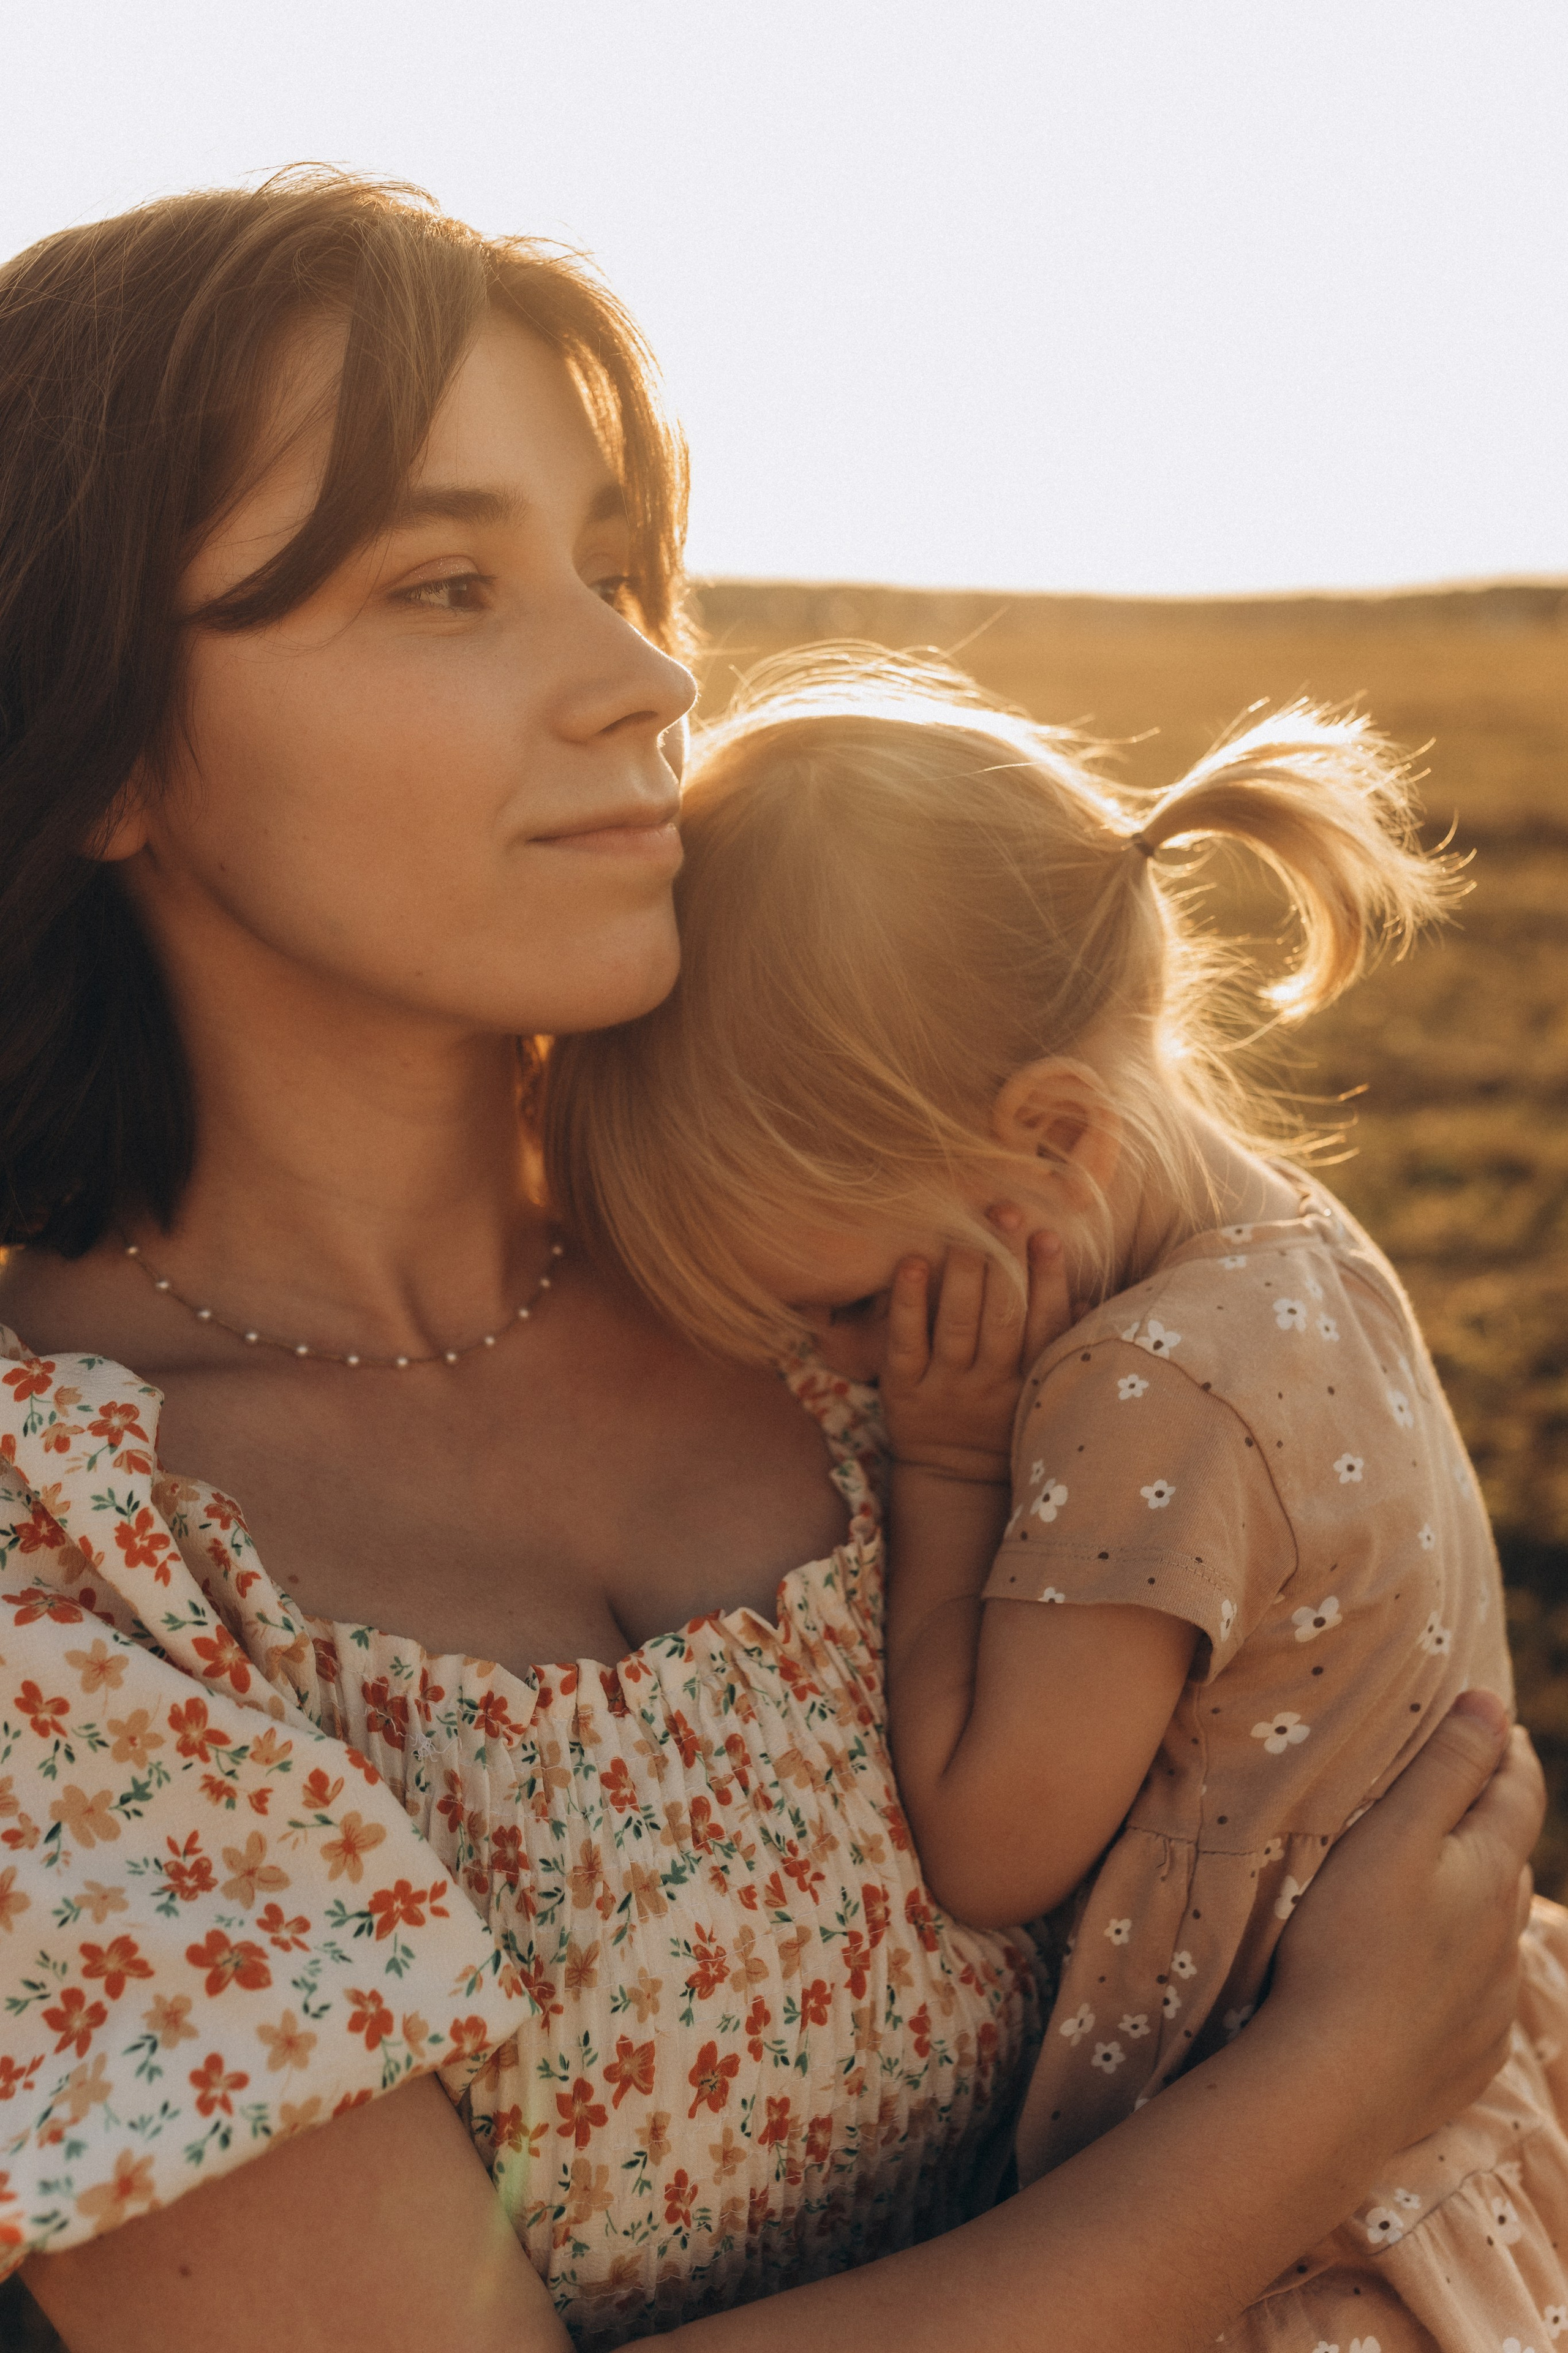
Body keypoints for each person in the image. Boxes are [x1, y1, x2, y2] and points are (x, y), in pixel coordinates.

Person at [0, 169, 1542, 2353]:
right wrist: (1337, 2091)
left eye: (622, 569)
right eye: (450, 583)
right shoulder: (64, 1584)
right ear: (108, 747)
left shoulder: (851, 1260)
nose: (641, 673)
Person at [545, 653, 1568, 2346]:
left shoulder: (1143, 1392)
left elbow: (994, 1833)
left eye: (859, 1300)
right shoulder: (1295, 1247)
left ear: (1054, 1141)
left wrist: (947, 1466)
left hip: (1288, 2249)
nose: (848, 1367)